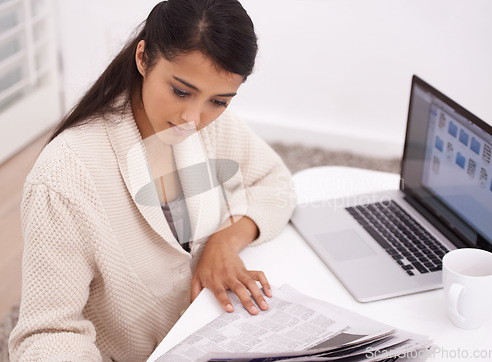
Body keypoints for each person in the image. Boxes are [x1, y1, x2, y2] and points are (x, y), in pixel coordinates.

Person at [8, 0, 296, 360]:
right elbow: (48, 332)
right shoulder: (64, 176)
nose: (193, 117)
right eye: (180, 91)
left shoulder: (215, 127)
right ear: (143, 57)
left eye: (219, 101)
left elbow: (276, 183)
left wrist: (224, 241)